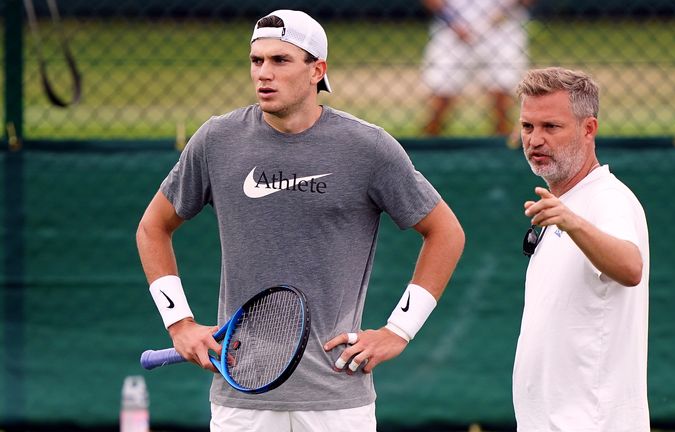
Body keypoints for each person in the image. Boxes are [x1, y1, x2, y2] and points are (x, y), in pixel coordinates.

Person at [135, 9, 465, 432]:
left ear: (317, 70)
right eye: (257, 61)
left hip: (338, 399)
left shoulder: (368, 147)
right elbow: (152, 227)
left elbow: (445, 233)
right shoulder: (217, 140)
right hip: (242, 399)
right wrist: (179, 322)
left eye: (280, 60)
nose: (264, 74)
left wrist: (399, 329)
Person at [512, 67, 650, 431]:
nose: (535, 140)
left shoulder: (608, 198)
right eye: (528, 127)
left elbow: (630, 267)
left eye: (550, 127)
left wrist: (571, 222)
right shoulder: (564, 202)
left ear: (589, 129)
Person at [421, 0, 536, 137]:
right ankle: (429, 142)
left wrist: (504, 11)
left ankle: (502, 144)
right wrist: (452, 20)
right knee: (442, 93)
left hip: (503, 29)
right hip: (452, 29)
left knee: (502, 93)